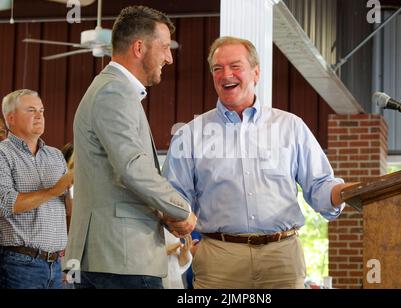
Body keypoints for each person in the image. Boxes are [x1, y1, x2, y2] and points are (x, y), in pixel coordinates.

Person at [162, 36, 355, 289]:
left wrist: (346, 192)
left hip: (282, 261)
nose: (225, 74)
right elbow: (172, 197)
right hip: (219, 262)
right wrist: (187, 238)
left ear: (256, 72)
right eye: (217, 69)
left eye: (235, 66)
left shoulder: (290, 127)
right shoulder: (190, 135)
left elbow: (319, 186)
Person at [64, 5, 196, 289]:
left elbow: (116, 178)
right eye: (164, 47)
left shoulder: (112, 90)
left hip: (111, 255)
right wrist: (182, 210)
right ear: (139, 47)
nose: (169, 58)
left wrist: (163, 214)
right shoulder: (114, 92)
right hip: (120, 256)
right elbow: (132, 168)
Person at [0, 89, 73, 289]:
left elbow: (70, 209)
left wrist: (79, 189)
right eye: (31, 110)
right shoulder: (3, 154)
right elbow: (5, 204)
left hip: (57, 264)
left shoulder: (56, 155)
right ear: (11, 118)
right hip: (20, 263)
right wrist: (54, 190)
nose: (39, 115)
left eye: (41, 110)